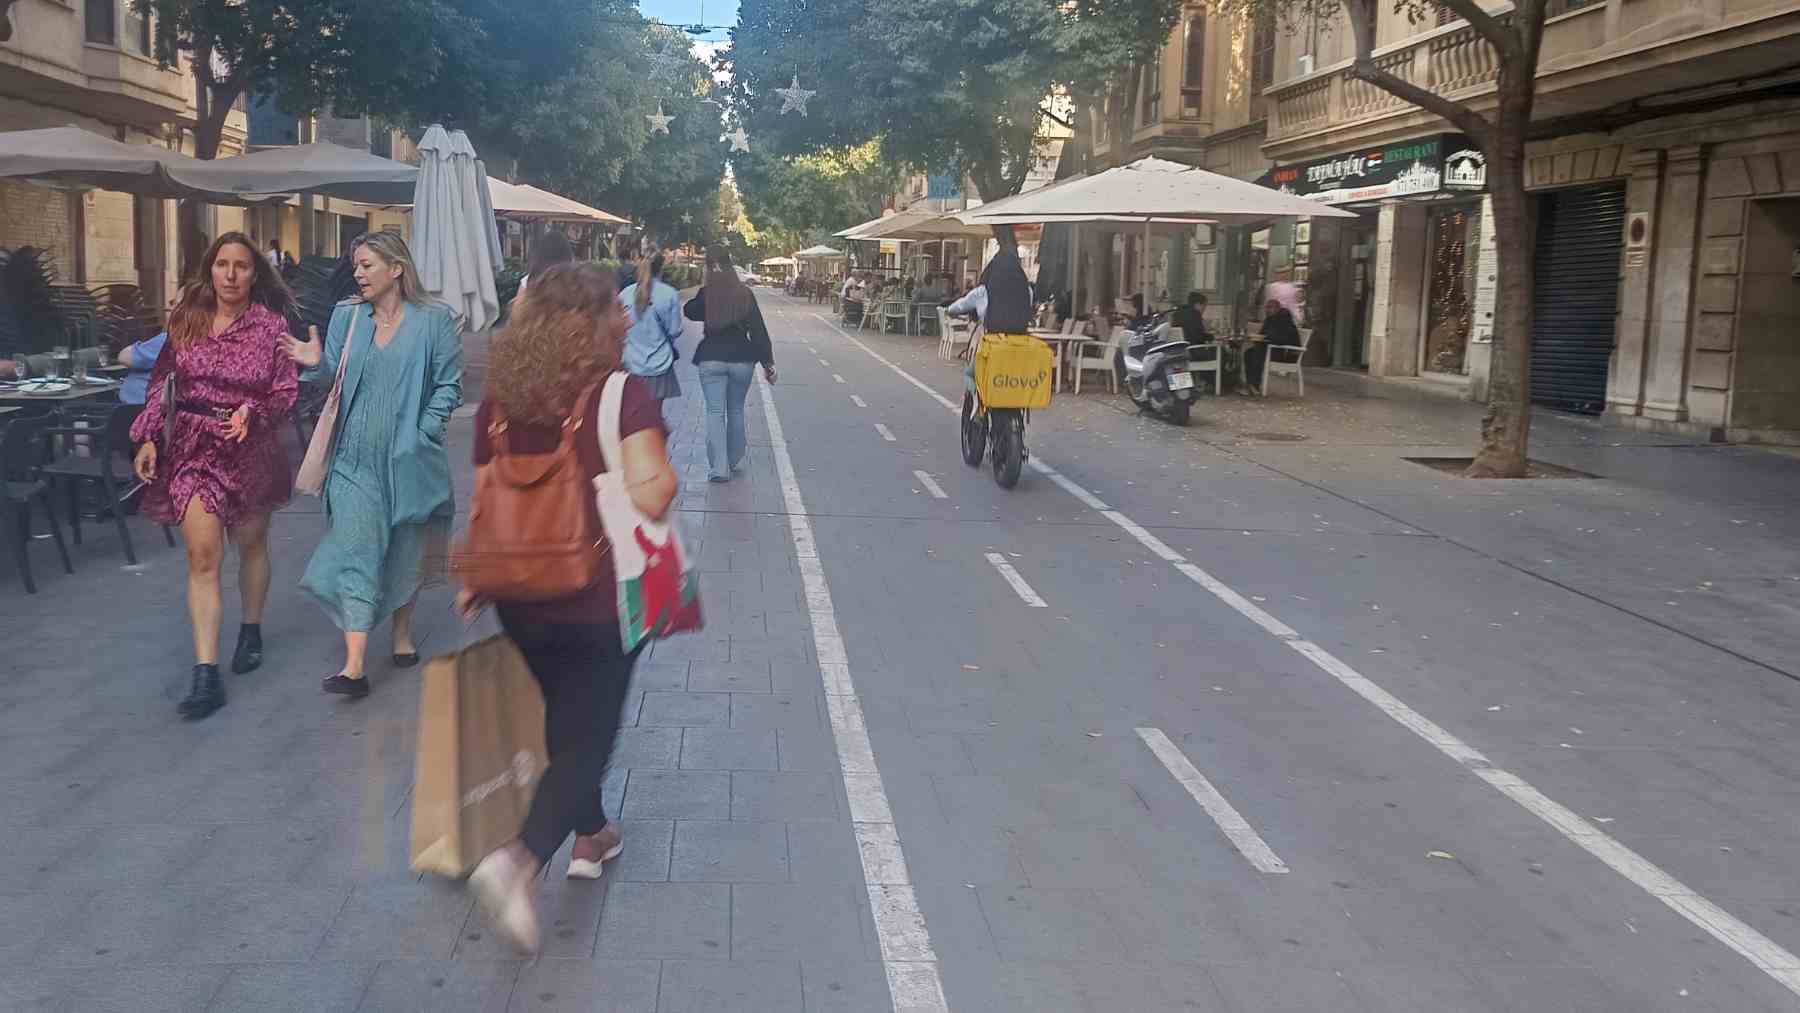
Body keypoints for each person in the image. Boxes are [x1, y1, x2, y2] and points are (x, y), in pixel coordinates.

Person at [457, 263, 679, 955]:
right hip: (596, 591)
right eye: (616, 308)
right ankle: (519, 859)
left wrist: (473, 573)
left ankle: (593, 835)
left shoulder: (500, 398)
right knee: (589, 733)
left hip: (517, 591)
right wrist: (642, 474)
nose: (626, 316)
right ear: (597, 321)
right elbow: (654, 495)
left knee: (566, 716)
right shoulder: (620, 393)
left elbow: (483, 495)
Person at [279, 231, 462, 698]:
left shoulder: (433, 320)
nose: (357, 274)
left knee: (406, 544)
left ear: (396, 268)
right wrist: (314, 362)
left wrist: (425, 430)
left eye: (366, 265)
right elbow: (332, 376)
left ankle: (401, 634)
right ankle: (355, 665)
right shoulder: (348, 318)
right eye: (356, 266)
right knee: (358, 545)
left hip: (407, 456)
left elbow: (448, 384)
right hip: (353, 457)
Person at [129, 232, 299, 721]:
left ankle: (250, 628)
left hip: (251, 448)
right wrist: (147, 437)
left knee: (251, 545)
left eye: (240, 266)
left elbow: (286, 391)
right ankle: (206, 673)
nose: (230, 274)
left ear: (254, 273)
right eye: (221, 264)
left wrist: (254, 412)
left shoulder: (271, 328)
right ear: (210, 271)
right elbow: (162, 382)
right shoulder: (186, 321)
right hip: (194, 444)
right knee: (203, 556)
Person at [685, 246, 775, 482]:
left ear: (709, 267)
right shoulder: (745, 293)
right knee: (735, 410)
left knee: (715, 412)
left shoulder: (707, 292)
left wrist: (703, 291)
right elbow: (757, 329)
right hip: (741, 359)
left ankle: (719, 468)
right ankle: (735, 459)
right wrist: (768, 363)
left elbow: (690, 311)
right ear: (730, 264)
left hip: (712, 356)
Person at [619, 250, 683, 408]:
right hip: (659, 365)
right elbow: (675, 330)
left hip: (630, 365)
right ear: (661, 268)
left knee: (632, 415)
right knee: (654, 415)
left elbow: (618, 328)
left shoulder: (625, 294)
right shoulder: (669, 294)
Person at [1244, 296, 1302, 395]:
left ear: (1277, 308)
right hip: (1271, 349)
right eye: (1266, 307)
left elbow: (1284, 339)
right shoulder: (1269, 319)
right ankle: (1251, 384)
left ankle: (1254, 385)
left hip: (1285, 354)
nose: (1267, 310)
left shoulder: (1284, 320)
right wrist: (1258, 338)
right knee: (1248, 353)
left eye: (1270, 307)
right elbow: (1263, 334)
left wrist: (1266, 338)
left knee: (1258, 351)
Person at [117, 330, 170, 405]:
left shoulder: (170, 339)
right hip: (154, 405)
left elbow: (124, 357)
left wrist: (140, 346)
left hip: (143, 407)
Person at [518, 230, 574, 299]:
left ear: (540, 255)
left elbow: (518, 308)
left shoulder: (529, 281)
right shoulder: (575, 282)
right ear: (567, 255)